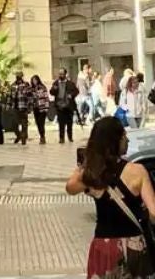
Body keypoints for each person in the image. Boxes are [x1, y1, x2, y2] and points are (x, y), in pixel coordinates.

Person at [66, 116, 155, 279]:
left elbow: (70, 188)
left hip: (104, 246)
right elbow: (154, 213)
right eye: (123, 136)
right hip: (135, 246)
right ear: (115, 140)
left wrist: (85, 164)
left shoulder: (92, 174)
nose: (127, 139)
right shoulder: (138, 171)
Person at [52, 68, 78, 144]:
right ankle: (61, 138)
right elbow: (51, 92)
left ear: (65, 74)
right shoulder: (56, 83)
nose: (60, 75)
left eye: (62, 74)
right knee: (61, 123)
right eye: (59, 74)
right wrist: (54, 89)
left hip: (68, 106)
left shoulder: (70, 83)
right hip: (60, 106)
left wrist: (71, 95)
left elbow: (76, 91)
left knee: (69, 123)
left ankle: (70, 137)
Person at [31, 75, 50, 145]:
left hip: (42, 108)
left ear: (38, 80)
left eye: (35, 80)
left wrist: (47, 107)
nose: (34, 82)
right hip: (35, 108)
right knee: (38, 123)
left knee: (41, 123)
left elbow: (46, 97)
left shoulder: (42, 87)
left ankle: (42, 137)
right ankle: (41, 135)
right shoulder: (32, 89)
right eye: (33, 80)